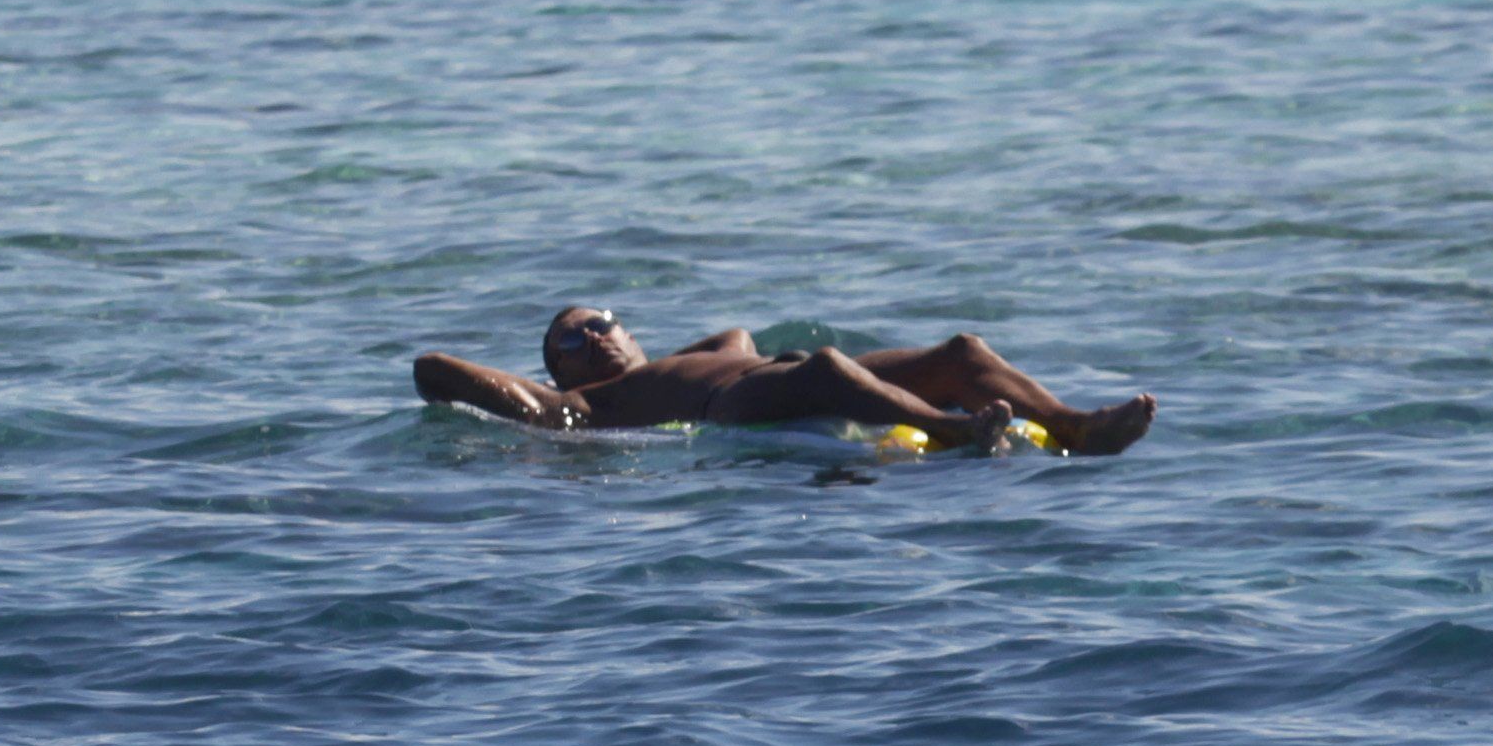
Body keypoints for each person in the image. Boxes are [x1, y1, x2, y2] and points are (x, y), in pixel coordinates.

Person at [413, 310, 1159, 455]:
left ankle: (1076, 427)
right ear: (559, 371)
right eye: (573, 339)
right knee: (831, 366)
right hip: (727, 407)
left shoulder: (703, 347)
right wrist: (540, 397)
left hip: (771, 375)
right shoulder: (583, 403)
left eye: (605, 321)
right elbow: (432, 370)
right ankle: (956, 430)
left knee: (961, 349)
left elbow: (733, 335)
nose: (597, 337)